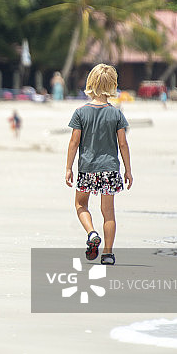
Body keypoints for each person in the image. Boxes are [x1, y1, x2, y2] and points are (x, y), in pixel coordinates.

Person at [65, 63, 133, 265]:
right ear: (113, 85)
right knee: (108, 212)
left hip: (87, 169)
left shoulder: (80, 112)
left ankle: (91, 233)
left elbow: (74, 142)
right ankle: (108, 254)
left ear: (90, 83)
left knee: (80, 204)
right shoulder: (116, 114)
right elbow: (123, 144)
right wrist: (128, 170)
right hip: (110, 169)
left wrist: (68, 168)